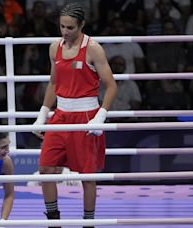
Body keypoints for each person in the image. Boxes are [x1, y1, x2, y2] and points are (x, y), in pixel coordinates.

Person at [33, 3, 117, 228]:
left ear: (81, 25)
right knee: (46, 168)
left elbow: (111, 86)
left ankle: (88, 224)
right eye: (62, 26)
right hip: (60, 116)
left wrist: (101, 115)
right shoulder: (54, 47)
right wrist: (42, 114)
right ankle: (54, 221)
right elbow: (53, 82)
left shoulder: (93, 48)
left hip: (86, 116)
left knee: (87, 176)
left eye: (70, 27)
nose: (65, 31)